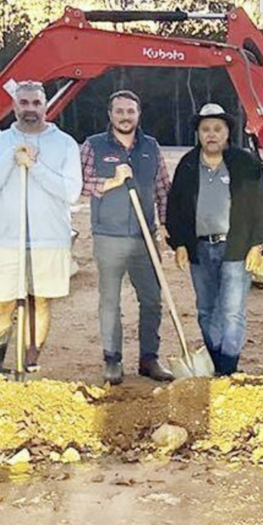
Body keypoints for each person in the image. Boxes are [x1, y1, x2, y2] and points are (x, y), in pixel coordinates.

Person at [0, 81, 82, 374]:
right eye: (24, 103)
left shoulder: (65, 143)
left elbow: (70, 192)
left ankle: (29, 362)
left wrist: (34, 166)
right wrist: (11, 158)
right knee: (0, 304)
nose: (30, 109)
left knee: (40, 302)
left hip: (50, 239)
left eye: (36, 103)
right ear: (14, 105)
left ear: (45, 105)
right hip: (5, 239)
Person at [165, 103, 263, 375]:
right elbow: (175, 207)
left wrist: (258, 245)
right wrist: (179, 244)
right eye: (205, 129)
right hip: (199, 248)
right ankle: (214, 358)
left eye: (217, 129)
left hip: (236, 248)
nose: (211, 134)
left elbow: (259, 206)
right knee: (206, 309)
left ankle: (228, 366)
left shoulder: (244, 163)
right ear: (198, 133)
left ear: (227, 132)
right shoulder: (188, 164)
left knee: (232, 311)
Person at [80, 90, 173, 385]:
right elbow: (79, 185)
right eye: (119, 111)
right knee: (110, 301)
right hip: (109, 237)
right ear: (110, 115)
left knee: (152, 300)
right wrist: (112, 181)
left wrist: (167, 225)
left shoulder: (151, 146)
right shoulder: (94, 145)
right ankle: (112, 360)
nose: (125, 116)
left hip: (145, 238)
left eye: (130, 111)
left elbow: (162, 190)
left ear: (138, 114)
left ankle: (149, 359)